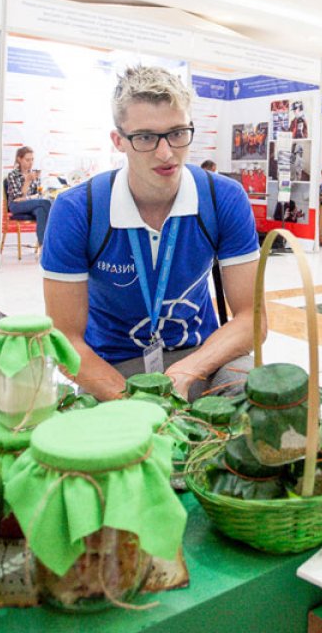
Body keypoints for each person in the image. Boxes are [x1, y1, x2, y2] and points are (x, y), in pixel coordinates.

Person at [42, 66, 262, 402]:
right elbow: (64, 340)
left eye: (177, 133)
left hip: (201, 357)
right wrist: (133, 406)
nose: (166, 153)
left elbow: (253, 318)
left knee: (259, 393)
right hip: (111, 365)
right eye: (145, 137)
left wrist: (186, 372)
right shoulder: (77, 210)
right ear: (119, 141)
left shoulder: (223, 198)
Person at [5, 146, 53, 248]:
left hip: (32, 204)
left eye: (32, 159)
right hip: (16, 206)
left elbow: (38, 194)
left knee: (41, 210)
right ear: (19, 159)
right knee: (46, 203)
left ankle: (43, 246)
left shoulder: (34, 173)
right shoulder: (13, 175)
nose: (30, 163)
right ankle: (53, 240)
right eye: (27, 160)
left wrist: (27, 198)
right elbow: (17, 197)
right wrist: (27, 181)